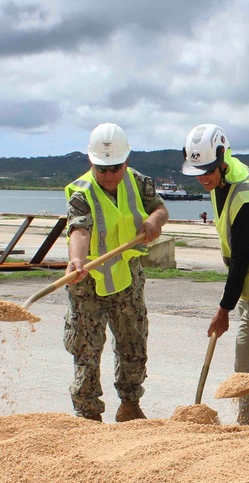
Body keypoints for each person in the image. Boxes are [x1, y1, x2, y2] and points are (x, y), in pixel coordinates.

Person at [181, 123, 249, 431]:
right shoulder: (225, 180)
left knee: (247, 360)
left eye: (208, 171)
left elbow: (241, 260)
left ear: (223, 158)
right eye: (197, 172)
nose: (203, 178)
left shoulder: (247, 197)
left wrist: (223, 310)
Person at [63, 122, 169, 422]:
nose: (108, 175)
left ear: (127, 160)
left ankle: (130, 405)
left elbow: (160, 209)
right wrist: (76, 261)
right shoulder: (81, 191)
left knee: (133, 343)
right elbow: (79, 229)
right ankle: (88, 413)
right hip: (89, 282)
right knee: (86, 349)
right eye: (101, 168)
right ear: (91, 161)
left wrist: (154, 222)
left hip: (127, 278)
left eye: (115, 168)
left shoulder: (138, 181)